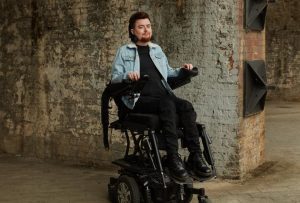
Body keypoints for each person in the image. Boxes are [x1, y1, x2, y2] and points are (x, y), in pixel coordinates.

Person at [111, 11, 211, 182]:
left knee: (185, 106)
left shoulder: (156, 50)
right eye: (141, 27)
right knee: (167, 104)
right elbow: (114, 78)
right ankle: (173, 157)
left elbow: (169, 72)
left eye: (148, 26)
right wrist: (128, 76)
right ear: (132, 31)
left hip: (162, 98)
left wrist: (183, 70)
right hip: (138, 100)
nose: (145, 30)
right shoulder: (124, 51)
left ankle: (196, 155)